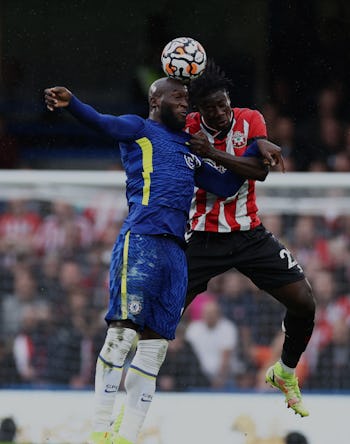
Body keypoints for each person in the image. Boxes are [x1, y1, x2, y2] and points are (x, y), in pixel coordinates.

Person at [44, 78, 280, 444]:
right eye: (180, 97)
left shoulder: (189, 145)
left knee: (154, 351)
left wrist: (252, 144)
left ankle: (126, 437)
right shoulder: (139, 128)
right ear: (156, 100)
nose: (188, 104)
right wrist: (73, 103)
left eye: (188, 98)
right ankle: (99, 432)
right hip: (141, 241)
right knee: (121, 336)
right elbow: (102, 122)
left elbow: (227, 186)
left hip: (176, 253)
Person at [184, 60, 316, 417]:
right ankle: (130, 397)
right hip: (202, 237)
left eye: (223, 104)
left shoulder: (250, 119)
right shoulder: (186, 126)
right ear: (198, 110)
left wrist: (212, 152)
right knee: (163, 316)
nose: (220, 112)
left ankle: (284, 372)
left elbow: (259, 171)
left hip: (249, 234)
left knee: (304, 302)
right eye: (210, 108)